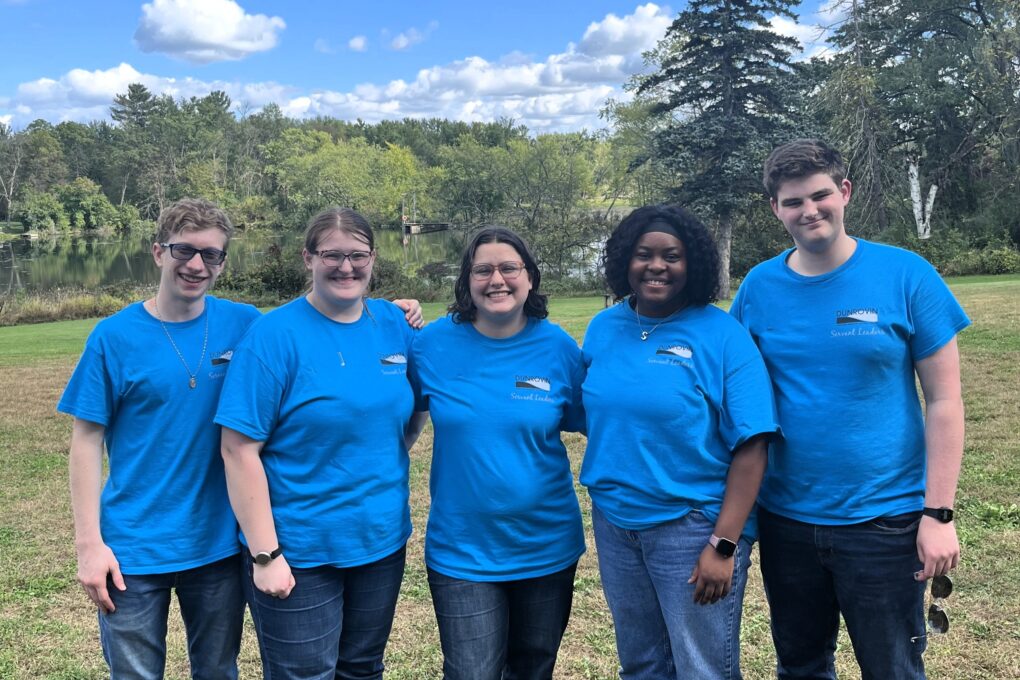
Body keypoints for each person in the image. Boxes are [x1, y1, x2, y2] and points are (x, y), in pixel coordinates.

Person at [730, 138, 970, 679]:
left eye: (820, 196)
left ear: (845, 192)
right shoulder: (758, 288)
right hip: (787, 518)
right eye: (793, 202)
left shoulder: (906, 275)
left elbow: (946, 401)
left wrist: (938, 514)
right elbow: (737, 394)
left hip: (884, 521)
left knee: (892, 668)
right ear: (775, 209)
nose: (808, 210)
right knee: (802, 666)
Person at [215, 207, 428, 680]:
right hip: (300, 550)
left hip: (380, 542)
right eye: (332, 255)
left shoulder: (395, 325)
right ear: (308, 257)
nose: (346, 267)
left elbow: (414, 409)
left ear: (374, 257)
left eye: (358, 255)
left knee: (362, 669)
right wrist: (265, 554)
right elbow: (237, 450)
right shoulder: (273, 336)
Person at [57, 198, 261, 679]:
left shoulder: (245, 323)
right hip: (132, 548)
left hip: (218, 545)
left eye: (211, 254)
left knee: (217, 671)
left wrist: (389, 311)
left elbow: (313, 319)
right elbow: (86, 441)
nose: (195, 265)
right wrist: (89, 545)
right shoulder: (113, 336)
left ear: (222, 262)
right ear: (157, 252)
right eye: (183, 250)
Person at [581, 204, 780, 680]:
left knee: (701, 668)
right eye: (643, 254)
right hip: (615, 521)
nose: (656, 266)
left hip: (692, 528)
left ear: (693, 265)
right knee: (641, 663)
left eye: (672, 256)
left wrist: (724, 544)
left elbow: (753, 446)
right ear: (623, 261)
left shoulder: (723, 335)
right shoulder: (604, 327)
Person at [409, 226, 586, 680]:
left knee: (533, 670)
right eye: (482, 269)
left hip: (546, 546)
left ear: (530, 277)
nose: (497, 280)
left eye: (509, 268)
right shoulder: (430, 345)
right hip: (463, 551)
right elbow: (392, 412)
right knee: (471, 672)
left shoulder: (561, 349)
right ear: (467, 280)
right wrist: (391, 311)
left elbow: (603, 427)